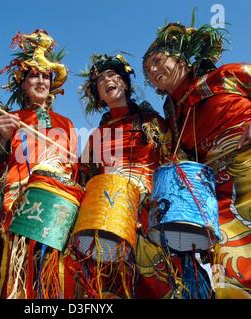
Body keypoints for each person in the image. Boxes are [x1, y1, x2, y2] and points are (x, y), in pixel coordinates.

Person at [142, 21, 251, 298]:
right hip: (222, 192)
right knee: (224, 258)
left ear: (181, 58)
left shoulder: (226, 76)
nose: (153, 70)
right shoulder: (173, 117)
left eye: (157, 60)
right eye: (148, 70)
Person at [0, 29, 82, 299]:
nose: (40, 80)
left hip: (57, 203)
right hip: (19, 202)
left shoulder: (67, 124)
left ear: (52, 85)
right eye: (33, 75)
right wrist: (2, 138)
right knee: (17, 273)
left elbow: (74, 169)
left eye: (46, 76)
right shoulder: (9, 118)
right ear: (23, 84)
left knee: (54, 273)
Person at [71, 53, 172, 298]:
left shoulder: (152, 122)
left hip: (148, 206)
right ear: (99, 96)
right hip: (107, 209)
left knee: (157, 279)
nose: (107, 80)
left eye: (113, 75)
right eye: (100, 80)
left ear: (125, 83)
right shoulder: (97, 135)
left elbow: (172, 161)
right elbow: (83, 176)